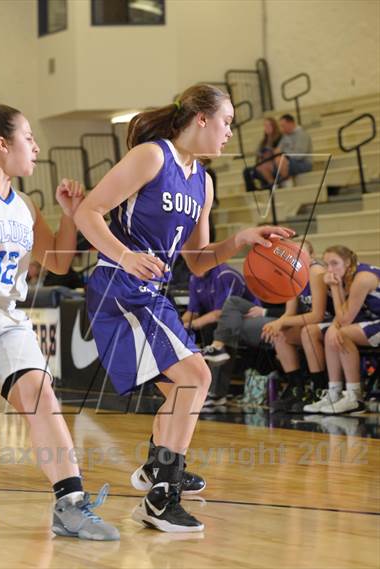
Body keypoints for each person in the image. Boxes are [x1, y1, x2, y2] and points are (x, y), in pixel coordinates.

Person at [74, 83, 293, 533]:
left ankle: (160, 468)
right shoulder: (153, 156)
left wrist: (239, 240)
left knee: (182, 392)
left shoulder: (203, 182)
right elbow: (88, 213)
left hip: (152, 294)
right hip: (119, 286)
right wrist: (126, 255)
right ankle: (162, 494)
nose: (231, 132)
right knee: (198, 376)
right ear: (201, 119)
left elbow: (197, 262)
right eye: (227, 122)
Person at [0, 91, 119, 541]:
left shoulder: (25, 204)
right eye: (29, 137)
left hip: (7, 317)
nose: (37, 147)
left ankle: (70, 506)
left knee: (42, 396)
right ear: (2, 145)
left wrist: (69, 216)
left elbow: (59, 262)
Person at [301, 246, 380, 414]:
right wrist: (333, 327)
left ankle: (354, 398)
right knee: (313, 331)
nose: (330, 269)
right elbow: (344, 316)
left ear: (348, 263)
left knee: (341, 333)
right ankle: (334, 393)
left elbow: (344, 319)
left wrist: (335, 289)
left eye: (335, 263)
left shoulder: (362, 278)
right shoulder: (346, 276)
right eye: (327, 264)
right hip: (371, 319)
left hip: (376, 320)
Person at [261, 240, 331, 413]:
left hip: (334, 322)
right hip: (316, 326)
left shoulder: (316, 271)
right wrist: (277, 325)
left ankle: (319, 389)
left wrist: (282, 322)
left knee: (307, 332)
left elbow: (317, 315)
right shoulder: (292, 276)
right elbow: (289, 313)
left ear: (312, 256)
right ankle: (296, 388)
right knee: (279, 334)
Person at [182, 263, 249, 345]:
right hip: (216, 318)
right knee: (183, 331)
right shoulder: (194, 278)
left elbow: (220, 313)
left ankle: (214, 355)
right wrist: (176, 327)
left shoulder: (225, 275)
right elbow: (192, 312)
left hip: (246, 316)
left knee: (209, 328)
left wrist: (191, 325)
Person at [255, 114, 312, 187]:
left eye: (283, 125)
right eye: (281, 126)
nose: (281, 128)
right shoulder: (285, 136)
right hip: (288, 161)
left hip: (303, 163)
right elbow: (278, 150)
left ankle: (287, 184)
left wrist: (283, 155)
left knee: (280, 159)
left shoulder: (302, 134)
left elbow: (299, 155)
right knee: (263, 165)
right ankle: (273, 185)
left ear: (291, 123)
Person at [243, 117, 282, 191]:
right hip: (264, 161)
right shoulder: (263, 141)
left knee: (263, 166)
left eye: (268, 126)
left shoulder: (279, 137)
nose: (266, 128)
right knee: (247, 171)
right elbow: (259, 153)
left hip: (274, 162)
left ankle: (273, 184)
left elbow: (278, 151)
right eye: (265, 126)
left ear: (273, 126)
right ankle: (252, 191)